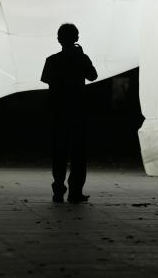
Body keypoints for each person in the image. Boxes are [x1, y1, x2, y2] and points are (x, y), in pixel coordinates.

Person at [41, 23, 97, 203]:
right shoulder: (82, 58)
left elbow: (46, 80)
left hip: (58, 110)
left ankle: (58, 190)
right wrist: (81, 58)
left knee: (59, 151)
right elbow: (93, 76)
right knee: (78, 152)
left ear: (59, 39)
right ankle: (75, 192)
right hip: (78, 110)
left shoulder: (52, 60)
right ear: (76, 38)